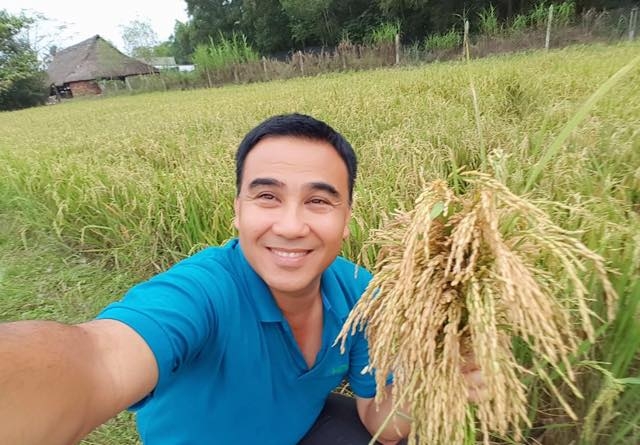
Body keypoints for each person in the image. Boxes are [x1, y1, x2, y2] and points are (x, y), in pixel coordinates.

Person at [0, 113, 483, 445]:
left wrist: (431, 387)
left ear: (346, 218)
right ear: (237, 211)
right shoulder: (203, 293)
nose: (291, 226)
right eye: (267, 197)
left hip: (300, 432)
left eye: (318, 201)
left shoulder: (361, 293)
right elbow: (100, 359)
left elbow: (382, 422)